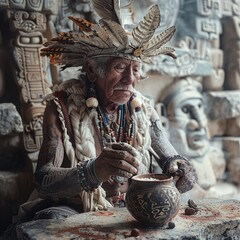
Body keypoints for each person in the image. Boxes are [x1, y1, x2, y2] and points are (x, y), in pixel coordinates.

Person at [6, 2, 197, 238]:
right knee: (51, 221)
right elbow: (44, 180)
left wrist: (181, 167)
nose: (130, 79)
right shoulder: (61, 107)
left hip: (134, 206)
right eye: (120, 67)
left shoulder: (143, 109)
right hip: (75, 207)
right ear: (92, 69)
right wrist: (95, 170)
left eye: (135, 69)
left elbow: (171, 157)